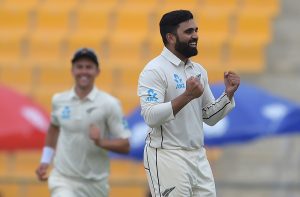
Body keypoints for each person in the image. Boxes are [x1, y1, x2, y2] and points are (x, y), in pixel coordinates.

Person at [137, 10, 240, 197]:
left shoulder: (198, 70)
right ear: (170, 37)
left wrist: (228, 95)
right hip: (168, 155)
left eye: (196, 30)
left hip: (198, 155)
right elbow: (150, 116)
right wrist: (187, 96)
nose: (195, 36)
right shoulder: (154, 70)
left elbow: (208, 117)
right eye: (188, 32)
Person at [35, 48, 131, 197]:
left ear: (97, 71)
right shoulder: (59, 100)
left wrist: (100, 142)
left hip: (95, 184)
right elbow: (54, 128)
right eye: (79, 67)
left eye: (89, 67)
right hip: (63, 178)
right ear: (72, 70)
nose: (84, 72)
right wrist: (45, 160)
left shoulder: (110, 104)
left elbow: (125, 145)